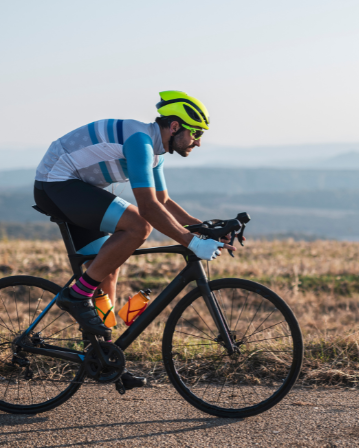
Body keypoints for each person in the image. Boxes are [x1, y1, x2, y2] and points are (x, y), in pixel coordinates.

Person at [33, 91, 236, 389]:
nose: (199, 141)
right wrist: (191, 242)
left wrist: (203, 228)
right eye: (196, 132)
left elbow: (162, 200)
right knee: (139, 227)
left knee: (106, 270)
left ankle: (104, 358)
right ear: (176, 126)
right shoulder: (140, 142)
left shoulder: (155, 150)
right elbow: (149, 208)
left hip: (76, 188)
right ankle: (76, 295)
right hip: (57, 183)